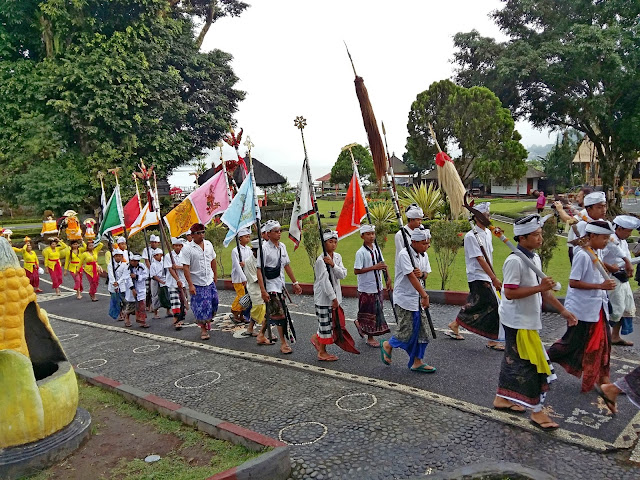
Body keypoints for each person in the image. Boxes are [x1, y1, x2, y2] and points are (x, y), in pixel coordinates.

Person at [493, 215, 579, 430]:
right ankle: (537, 411)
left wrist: (563, 311)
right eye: (536, 235)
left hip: (528, 320)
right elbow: (510, 293)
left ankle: (502, 398)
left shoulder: (534, 258)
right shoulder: (514, 261)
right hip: (518, 321)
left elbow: (545, 292)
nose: (540, 238)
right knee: (534, 365)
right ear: (522, 238)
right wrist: (540, 288)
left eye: (540, 234)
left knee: (514, 360)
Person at [548, 221, 617, 393]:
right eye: (604, 238)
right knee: (570, 343)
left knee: (603, 343)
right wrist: (600, 287)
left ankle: (602, 379)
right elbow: (573, 282)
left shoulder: (595, 251)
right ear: (592, 236)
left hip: (598, 307)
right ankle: (540, 360)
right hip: (582, 309)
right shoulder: (582, 255)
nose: (607, 241)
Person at [447, 202, 503, 350]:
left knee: (475, 303)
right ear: (477, 218)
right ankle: (492, 339)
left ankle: (455, 324)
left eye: (488, 215)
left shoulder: (488, 233)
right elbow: (479, 259)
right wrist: (493, 278)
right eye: (484, 216)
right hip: (477, 275)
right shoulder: (471, 236)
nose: (488, 218)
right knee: (493, 304)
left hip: (487, 274)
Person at [380, 227, 435, 373]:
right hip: (405, 298)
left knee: (423, 331)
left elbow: (425, 274)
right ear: (414, 242)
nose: (427, 246)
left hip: (417, 298)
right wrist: (424, 295)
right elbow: (411, 277)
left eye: (428, 243)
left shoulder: (423, 255)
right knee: (406, 330)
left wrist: (422, 274)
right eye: (424, 243)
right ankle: (388, 345)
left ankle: (417, 361)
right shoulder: (404, 254)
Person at [255, 220, 303, 354]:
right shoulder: (263, 248)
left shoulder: (282, 247)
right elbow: (259, 270)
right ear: (268, 233)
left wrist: (295, 282)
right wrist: (263, 290)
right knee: (281, 315)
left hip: (279, 284)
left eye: (280, 230)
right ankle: (283, 343)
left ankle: (261, 334)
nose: (279, 233)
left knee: (272, 312)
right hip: (270, 286)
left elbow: (286, 265)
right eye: (276, 231)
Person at [311, 230, 348, 361]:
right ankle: (322, 352)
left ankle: (317, 338)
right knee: (325, 325)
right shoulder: (320, 261)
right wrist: (333, 298)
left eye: (335, 241)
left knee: (329, 323)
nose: (333, 244)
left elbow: (343, 274)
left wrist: (333, 265)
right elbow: (324, 282)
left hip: (335, 296)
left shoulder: (337, 257)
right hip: (324, 298)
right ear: (324, 243)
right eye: (330, 242)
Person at [602, 215, 638, 346]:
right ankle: (603, 336)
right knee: (614, 309)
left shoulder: (622, 241)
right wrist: (610, 267)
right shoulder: (609, 240)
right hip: (612, 278)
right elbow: (597, 258)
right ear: (619, 228)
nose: (630, 234)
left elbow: (626, 258)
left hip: (622, 278)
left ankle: (615, 336)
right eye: (628, 231)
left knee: (625, 307)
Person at [354, 224, 391, 347]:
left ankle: (360, 323)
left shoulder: (377, 249)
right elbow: (356, 270)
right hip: (367, 287)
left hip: (377, 286)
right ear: (362, 236)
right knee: (370, 313)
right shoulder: (361, 252)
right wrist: (373, 268)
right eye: (368, 234)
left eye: (372, 234)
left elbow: (383, 264)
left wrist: (388, 277)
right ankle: (370, 337)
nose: (371, 236)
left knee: (377, 311)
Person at [182, 223, 218, 341]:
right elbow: (186, 267)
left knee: (214, 303)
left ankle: (208, 320)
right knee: (201, 307)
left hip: (209, 280)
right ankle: (203, 329)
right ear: (192, 235)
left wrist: (215, 276)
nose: (202, 235)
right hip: (197, 282)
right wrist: (190, 285)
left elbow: (213, 260)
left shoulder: (208, 245)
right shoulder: (187, 248)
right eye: (198, 233)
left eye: (203, 232)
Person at [565, 190, 605, 263]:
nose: (603, 210)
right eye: (599, 207)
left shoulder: (603, 223)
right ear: (589, 210)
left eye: (604, 206)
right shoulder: (582, 224)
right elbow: (570, 222)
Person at [242, 239, 266, 338]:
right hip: (255, 290)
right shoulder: (248, 262)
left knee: (262, 310)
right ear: (253, 251)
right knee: (261, 311)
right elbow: (255, 279)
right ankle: (264, 333)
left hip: (266, 288)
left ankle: (250, 329)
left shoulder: (264, 258)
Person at [230, 228, 253, 324]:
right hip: (238, 278)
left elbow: (251, 261)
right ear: (240, 238)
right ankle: (235, 312)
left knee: (247, 296)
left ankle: (242, 315)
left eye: (249, 237)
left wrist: (246, 264)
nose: (248, 238)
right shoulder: (235, 251)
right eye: (246, 237)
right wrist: (243, 278)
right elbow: (237, 266)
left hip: (248, 276)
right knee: (241, 296)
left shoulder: (249, 249)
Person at [164, 237, 188, 330]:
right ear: (173, 246)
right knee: (175, 301)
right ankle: (176, 317)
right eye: (176, 246)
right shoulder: (168, 256)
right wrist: (177, 280)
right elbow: (170, 269)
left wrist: (177, 267)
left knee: (183, 300)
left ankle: (181, 318)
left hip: (183, 281)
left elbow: (186, 267)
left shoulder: (184, 255)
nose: (178, 247)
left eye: (179, 245)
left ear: (182, 246)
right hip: (172, 282)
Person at [122, 254, 149, 328]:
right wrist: (133, 289)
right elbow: (127, 279)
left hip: (141, 289)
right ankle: (127, 317)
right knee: (131, 306)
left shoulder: (142, 266)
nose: (133, 262)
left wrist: (137, 276)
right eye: (132, 261)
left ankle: (142, 321)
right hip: (131, 290)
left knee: (142, 306)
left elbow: (146, 275)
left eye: (135, 261)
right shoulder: (127, 268)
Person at [107, 250, 127, 321]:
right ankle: (120, 314)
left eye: (119, 256)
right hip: (113, 286)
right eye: (116, 256)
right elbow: (111, 275)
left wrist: (118, 282)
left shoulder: (124, 265)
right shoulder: (110, 265)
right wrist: (114, 283)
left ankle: (124, 311)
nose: (118, 258)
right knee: (116, 301)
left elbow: (124, 275)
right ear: (114, 257)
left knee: (124, 300)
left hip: (122, 285)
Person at [149, 248, 168, 319]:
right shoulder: (153, 265)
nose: (156, 256)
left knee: (166, 295)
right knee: (155, 296)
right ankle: (155, 312)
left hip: (164, 280)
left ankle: (168, 310)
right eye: (155, 255)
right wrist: (160, 281)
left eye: (158, 255)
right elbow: (153, 275)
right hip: (156, 281)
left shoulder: (164, 262)